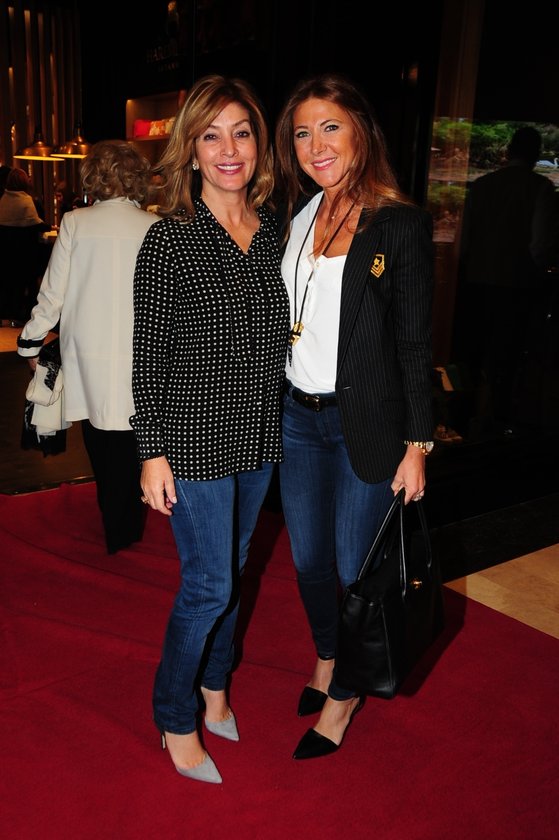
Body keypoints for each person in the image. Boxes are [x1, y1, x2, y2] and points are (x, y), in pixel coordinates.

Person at [130, 74, 289, 785]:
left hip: (258, 434)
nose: (229, 149)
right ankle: (174, 715)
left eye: (242, 133)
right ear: (190, 150)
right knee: (208, 585)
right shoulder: (169, 240)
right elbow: (148, 355)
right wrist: (151, 452)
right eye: (211, 135)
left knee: (237, 567)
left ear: (259, 143)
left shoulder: (274, 231)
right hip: (192, 437)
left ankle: (215, 684)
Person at [274, 72, 434, 760]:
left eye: (330, 127)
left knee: (351, 564)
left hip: (363, 424)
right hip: (296, 417)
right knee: (308, 560)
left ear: (361, 131)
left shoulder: (398, 222)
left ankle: (344, 696)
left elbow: (415, 342)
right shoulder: (299, 214)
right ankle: (326, 656)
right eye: (302, 133)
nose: (316, 145)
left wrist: (418, 443)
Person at [17, 139, 159, 553]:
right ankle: (127, 522)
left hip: (88, 352)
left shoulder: (75, 222)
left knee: (98, 438)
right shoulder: (155, 226)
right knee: (134, 439)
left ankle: (115, 520)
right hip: (140, 353)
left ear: (94, 177)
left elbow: (52, 294)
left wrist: (30, 344)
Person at [455, 126, 559, 438]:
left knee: (473, 353)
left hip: (477, 281)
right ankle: (497, 422)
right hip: (517, 284)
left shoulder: (482, 185)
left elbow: (463, 240)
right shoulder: (540, 188)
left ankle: (463, 416)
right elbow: (540, 245)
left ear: (508, 151)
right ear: (536, 154)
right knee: (508, 357)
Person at [0, 167, 49, 324]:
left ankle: (10, 312)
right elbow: (37, 224)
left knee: (11, 283)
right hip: (27, 256)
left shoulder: (3, 200)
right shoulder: (28, 201)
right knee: (33, 277)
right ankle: (28, 314)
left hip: (6, 256)